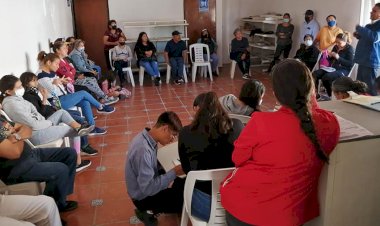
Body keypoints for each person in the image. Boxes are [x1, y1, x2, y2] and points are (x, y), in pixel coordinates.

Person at [220, 59, 340, 226]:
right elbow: (314, 113)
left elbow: (238, 159)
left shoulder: (261, 122)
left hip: (247, 210)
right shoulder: (330, 123)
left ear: (275, 94)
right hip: (291, 216)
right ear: (311, 89)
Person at [0, 75, 93, 172]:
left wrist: (44, 121)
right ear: (8, 91)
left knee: (62, 113)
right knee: (72, 130)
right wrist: (48, 123)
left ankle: (79, 127)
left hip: (41, 125)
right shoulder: (11, 104)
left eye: (21, 86)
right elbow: (33, 125)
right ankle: (77, 163)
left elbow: (36, 114)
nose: (22, 89)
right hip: (35, 134)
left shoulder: (17, 98)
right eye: (18, 87)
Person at [178, 92, 243, 221]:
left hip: (203, 206)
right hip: (238, 203)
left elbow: (186, 169)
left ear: (197, 110)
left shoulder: (185, 133)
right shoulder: (237, 126)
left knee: (181, 185)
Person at [0, 117, 78, 212]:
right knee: (60, 170)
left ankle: (61, 198)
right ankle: (51, 210)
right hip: (18, 168)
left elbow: (27, 128)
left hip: (32, 154)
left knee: (70, 154)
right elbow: (15, 152)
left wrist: (15, 136)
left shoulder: (1, 120)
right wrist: (18, 135)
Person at [125, 111, 185, 225]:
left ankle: (159, 204)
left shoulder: (146, 137)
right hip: (142, 197)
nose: (173, 139)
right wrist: (174, 172)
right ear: (165, 128)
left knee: (181, 179)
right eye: (173, 135)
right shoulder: (143, 150)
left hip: (144, 185)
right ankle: (147, 211)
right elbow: (148, 188)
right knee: (183, 201)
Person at [20, 72, 99, 156]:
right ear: (26, 83)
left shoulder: (33, 93)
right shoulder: (28, 97)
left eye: (36, 80)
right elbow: (40, 113)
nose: (36, 82)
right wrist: (44, 98)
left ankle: (82, 136)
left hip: (52, 112)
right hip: (48, 118)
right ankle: (84, 146)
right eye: (33, 81)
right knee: (79, 120)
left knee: (76, 113)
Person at [37, 51, 114, 135]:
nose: (58, 66)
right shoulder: (41, 76)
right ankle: (100, 107)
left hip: (63, 97)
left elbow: (57, 85)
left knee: (85, 102)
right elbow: (52, 91)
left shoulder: (50, 72)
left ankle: (92, 127)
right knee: (83, 93)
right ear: (48, 62)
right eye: (56, 64)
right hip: (56, 103)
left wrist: (62, 82)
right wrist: (55, 83)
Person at [54, 41, 118, 105]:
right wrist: (75, 74)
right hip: (69, 82)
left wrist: (72, 72)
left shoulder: (64, 59)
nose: (67, 50)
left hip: (73, 78)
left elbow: (73, 69)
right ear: (57, 50)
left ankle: (101, 97)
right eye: (64, 48)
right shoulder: (58, 61)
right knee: (89, 82)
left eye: (66, 48)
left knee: (93, 79)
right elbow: (69, 74)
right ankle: (105, 97)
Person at [312, 32, 354, 98]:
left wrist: (338, 58)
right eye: (336, 42)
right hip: (332, 68)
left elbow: (350, 64)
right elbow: (330, 60)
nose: (337, 44)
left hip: (344, 70)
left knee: (326, 77)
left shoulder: (350, 49)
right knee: (315, 74)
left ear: (345, 42)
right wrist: (329, 56)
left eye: (339, 43)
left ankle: (330, 95)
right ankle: (315, 94)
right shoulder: (336, 47)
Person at [354, 3, 380, 96]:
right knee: (360, 87)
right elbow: (366, 37)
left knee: (371, 89)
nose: (371, 12)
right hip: (362, 60)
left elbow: (375, 37)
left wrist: (359, 28)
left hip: (370, 62)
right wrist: (358, 35)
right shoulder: (369, 26)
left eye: (374, 11)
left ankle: (373, 109)